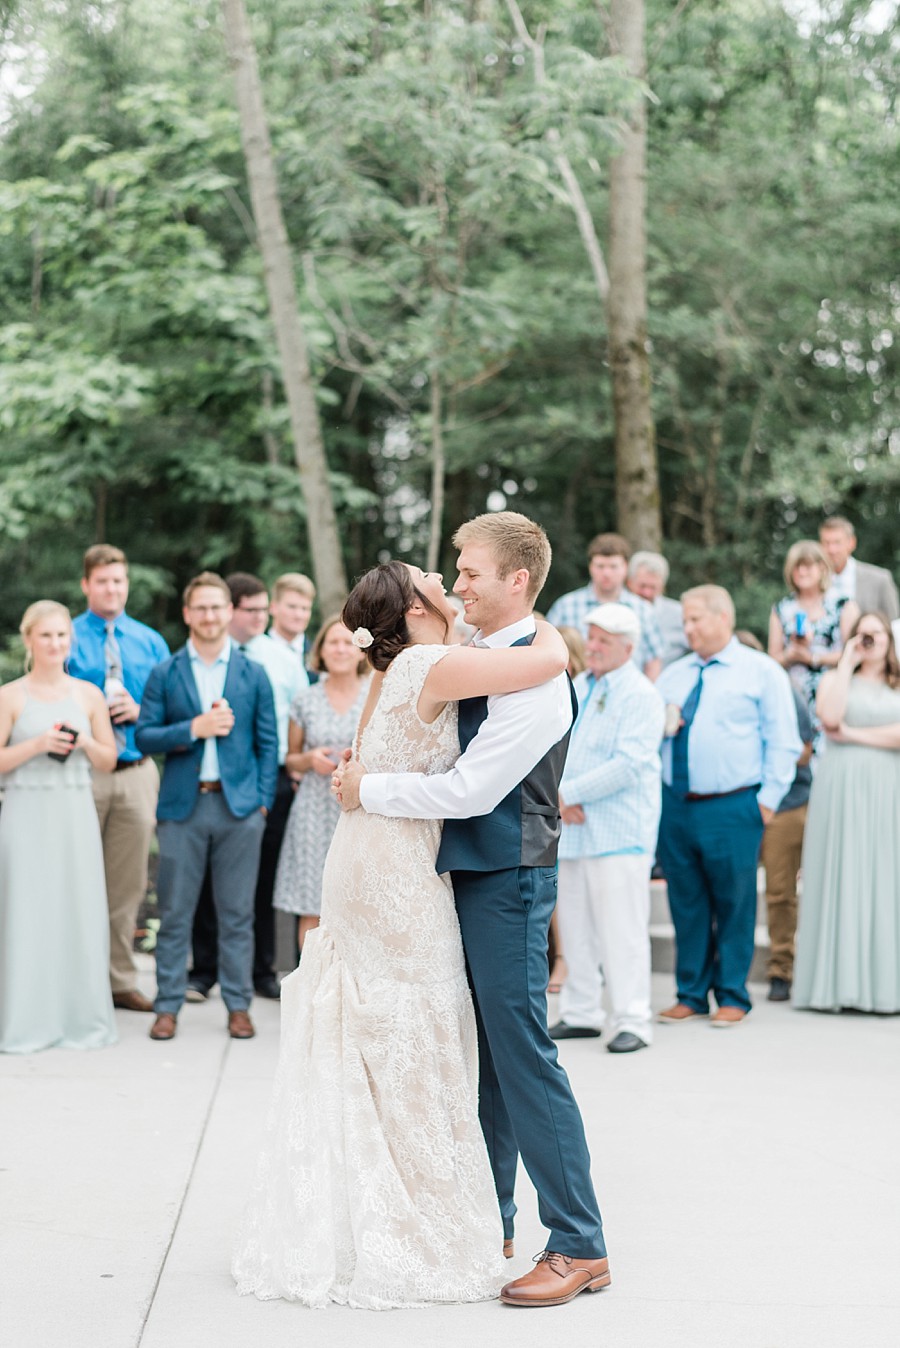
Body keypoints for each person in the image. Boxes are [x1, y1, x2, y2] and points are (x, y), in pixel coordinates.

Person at [233, 552, 572, 1308]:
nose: (447, 583)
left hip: (365, 854)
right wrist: (548, 632)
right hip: (399, 870)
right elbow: (545, 660)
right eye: (433, 579)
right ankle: (424, 1214)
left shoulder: (391, 671)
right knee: (418, 1026)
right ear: (414, 611)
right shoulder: (430, 665)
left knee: (374, 1030)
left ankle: (373, 1203)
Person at [336, 513, 610, 1309]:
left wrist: (369, 791)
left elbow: (472, 791)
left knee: (522, 1056)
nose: (456, 583)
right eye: (453, 571)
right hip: (467, 877)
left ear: (517, 580)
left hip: (511, 880)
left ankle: (579, 1244)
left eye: (470, 571)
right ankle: (488, 1221)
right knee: (483, 1057)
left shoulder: (536, 674)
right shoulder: (489, 654)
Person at [135, 573, 279, 1042]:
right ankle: (167, 1006)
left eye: (218, 607)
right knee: (174, 913)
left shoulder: (252, 673)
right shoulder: (166, 672)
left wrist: (260, 803)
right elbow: (145, 736)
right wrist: (193, 728)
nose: (210, 615)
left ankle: (238, 1006)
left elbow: (267, 742)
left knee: (237, 915)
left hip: (239, 811)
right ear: (187, 614)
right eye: (201, 607)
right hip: (182, 809)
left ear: (228, 611)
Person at [655, 586, 801, 1027]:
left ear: (723, 617)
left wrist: (767, 802)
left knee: (734, 901)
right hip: (676, 804)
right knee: (686, 900)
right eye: (685, 620)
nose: (688, 628)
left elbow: (784, 741)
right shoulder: (672, 675)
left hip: (735, 805)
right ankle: (691, 993)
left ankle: (733, 995)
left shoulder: (761, 671)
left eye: (695, 619)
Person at [0, 601, 118, 1053]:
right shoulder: (11, 695)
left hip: (73, 813)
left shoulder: (88, 695)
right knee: (25, 915)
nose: (55, 644)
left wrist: (82, 739)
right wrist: (36, 744)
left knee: (76, 910)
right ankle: (23, 1020)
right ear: (29, 639)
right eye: (46, 636)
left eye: (62, 636)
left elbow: (108, 760)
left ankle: (79, 1019)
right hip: (26, 814)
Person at [550, 604, 664, 1053]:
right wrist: (561, 794)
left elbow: (630, 764)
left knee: (622, 929)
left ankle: (632, 1019)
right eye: (591, 637)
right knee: (575, 926)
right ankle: (581, 1012)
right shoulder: (578, 685)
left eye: (603, 641)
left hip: (619, 831)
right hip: (574, 830)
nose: (592, 647)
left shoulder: (641, 694)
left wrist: (568, 794)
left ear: (628, 648)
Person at [187, 573, 304, 1003]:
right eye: (250, 610)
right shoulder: (202, 658)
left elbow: (293, 720)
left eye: (262, 609)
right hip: (209, 781)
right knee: (203, 882)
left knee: (260, 882)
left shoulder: (280, 658)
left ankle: (260, 971)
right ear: (230, 610)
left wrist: (266, 792)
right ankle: (202, 971)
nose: (259, 617)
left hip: (264, 781)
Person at [68, 544, 170, 1013]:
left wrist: (140, 710)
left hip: (135, 772)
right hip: (79, 772)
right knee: (72, 877)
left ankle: (119, 979)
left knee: (126, 885)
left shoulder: (150, 642)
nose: (112, 589)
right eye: (103, 581)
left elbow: (171, 707)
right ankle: (73, 980)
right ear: (87, 584)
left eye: (119, 581)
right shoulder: (65, 636)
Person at [792, 612, 900, 1013]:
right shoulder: (840, 678)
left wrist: (854, 736)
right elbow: (830, 717)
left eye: (878, 633)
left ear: (890, 639)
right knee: (844, 870)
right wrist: (846, 662)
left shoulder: (897, 682)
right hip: (840, 786)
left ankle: (884, 986)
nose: (871, 639)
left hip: (888, 786)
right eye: (863, 633)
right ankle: (836, 985)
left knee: (884, 875)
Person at [272, 617, 369, 953]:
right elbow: (290, 758)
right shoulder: (306, 699)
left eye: (347, 642)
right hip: (313, 808)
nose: (341, 649)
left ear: (361, 651)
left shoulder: (376, 694)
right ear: (321, 652)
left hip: (360, 808)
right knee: (312, 903)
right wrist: (310, 759)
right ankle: (311, 991)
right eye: (333, 642)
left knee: (357, 901)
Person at [737, 631, 815, 1004]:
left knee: (780, 891)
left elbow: (803, 750)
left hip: (785, 802)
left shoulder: (784, 689)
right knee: (729, 889)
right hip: (735, 803)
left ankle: (781, 969)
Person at [768, 540, 857, 745]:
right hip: (794, 694)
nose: (801, 572)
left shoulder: (843, 605)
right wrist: (791, 655)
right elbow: (772, 658)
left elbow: (853, 653)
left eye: (807, 566)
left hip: (832, 693)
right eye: (796, 567)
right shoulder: (782, 608)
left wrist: (814, 658)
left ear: (822, 568)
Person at [546, 532, 663, 679]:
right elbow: (547, 654)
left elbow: (653, 661)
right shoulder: (565, 606)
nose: (606, 573)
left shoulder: (644, 610)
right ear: (590, 567)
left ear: (625, 567)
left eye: (613, 566)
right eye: (600, 566)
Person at [818, 516, 899, 620]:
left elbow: (893, 624)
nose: (831, 550)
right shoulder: (811, 580)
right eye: (826, 543)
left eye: (837, 542)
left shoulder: (880, 580)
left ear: (852, 543)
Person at [627, 550, 689, 667]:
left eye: (653, 587)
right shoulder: (619, 610)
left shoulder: (679, 613)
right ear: (630, 582)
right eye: (642, 586)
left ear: (662, 586)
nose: (647, 593)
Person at [268, 572, 316, 670]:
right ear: (273, 607)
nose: (299, 615)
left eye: (305, 608)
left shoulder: (319, 654)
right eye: (292, 607)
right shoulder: (254, 650)